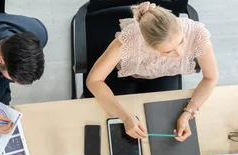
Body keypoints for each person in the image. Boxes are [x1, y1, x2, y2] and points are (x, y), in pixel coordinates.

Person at [86, 2, 218, 141]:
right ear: (148, 45)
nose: (179, 52)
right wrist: (124, 116)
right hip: (126, 74)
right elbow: (94, 81)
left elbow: (211, 77)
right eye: (168, 51)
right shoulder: (130, 39)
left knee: (164, 124)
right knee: (112, 124)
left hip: (165, 74)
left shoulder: (197, 34)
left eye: (181, 41)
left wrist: (188, 112)